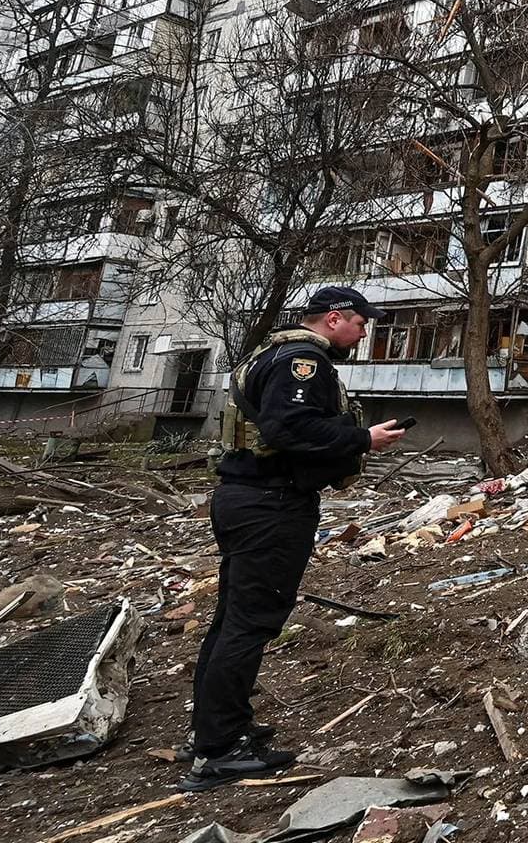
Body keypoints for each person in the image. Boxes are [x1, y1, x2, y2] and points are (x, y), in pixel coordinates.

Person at [179, 286, 407, 792]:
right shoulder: (302, 362)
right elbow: (290, 429)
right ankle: (219, 750)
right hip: (271, 505)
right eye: (360, 323)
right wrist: (363, 439)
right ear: (334, 318)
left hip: (248, 499)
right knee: (249, 623)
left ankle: (215, 728)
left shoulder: (271, 351)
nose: (364, 332)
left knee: (232, 618)